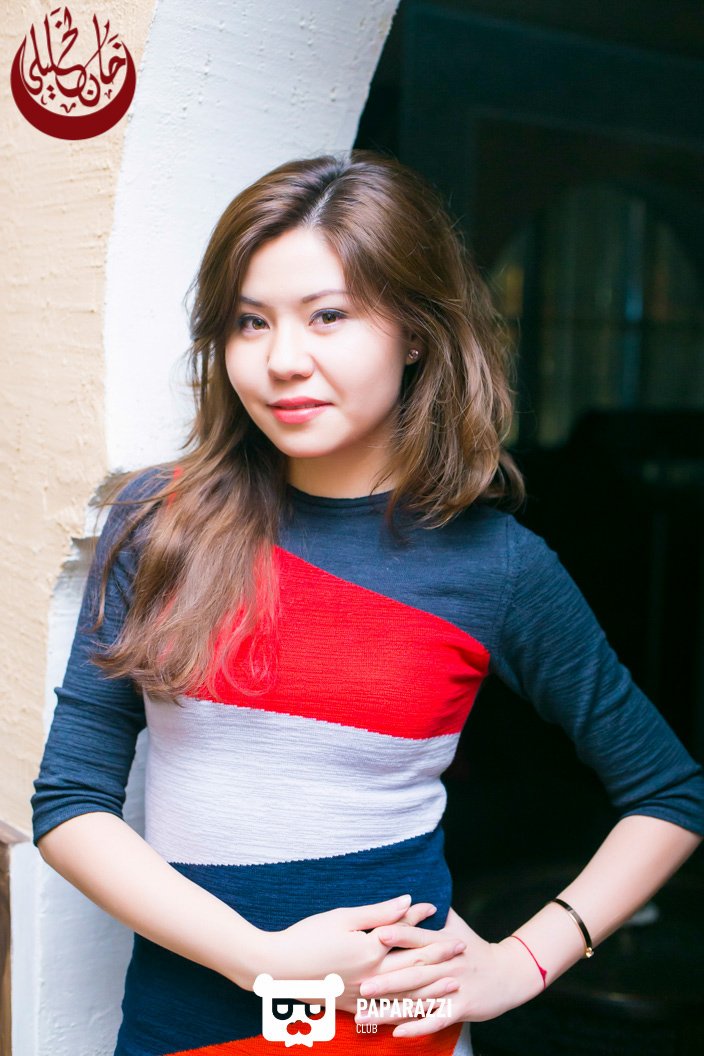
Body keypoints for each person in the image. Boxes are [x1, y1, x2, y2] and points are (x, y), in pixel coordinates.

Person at [32, 151, 704, 1056]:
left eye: (329, 316)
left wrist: (522, 964)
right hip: (183, 1029)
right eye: (250, 321)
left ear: (415, 333)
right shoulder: (161, 523)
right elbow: (70, 803)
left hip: (397, 1033)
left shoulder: (496, 566)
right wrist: (263, 960)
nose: (282, 360)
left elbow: (669, 792)